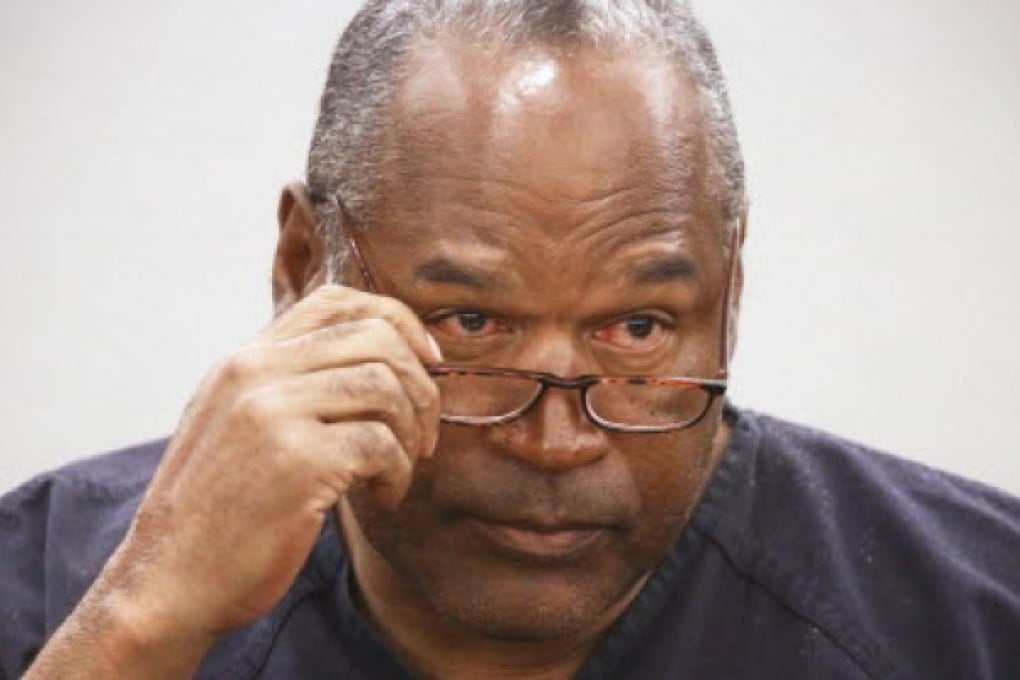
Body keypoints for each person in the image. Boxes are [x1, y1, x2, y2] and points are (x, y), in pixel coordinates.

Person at [3, 0, 1019, 677]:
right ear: (305, 263)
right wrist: (139, 624)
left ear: (731, 288)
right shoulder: (46, 578)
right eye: (472, 323)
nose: (555, 442)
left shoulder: (978, 615)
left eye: (637, 328)